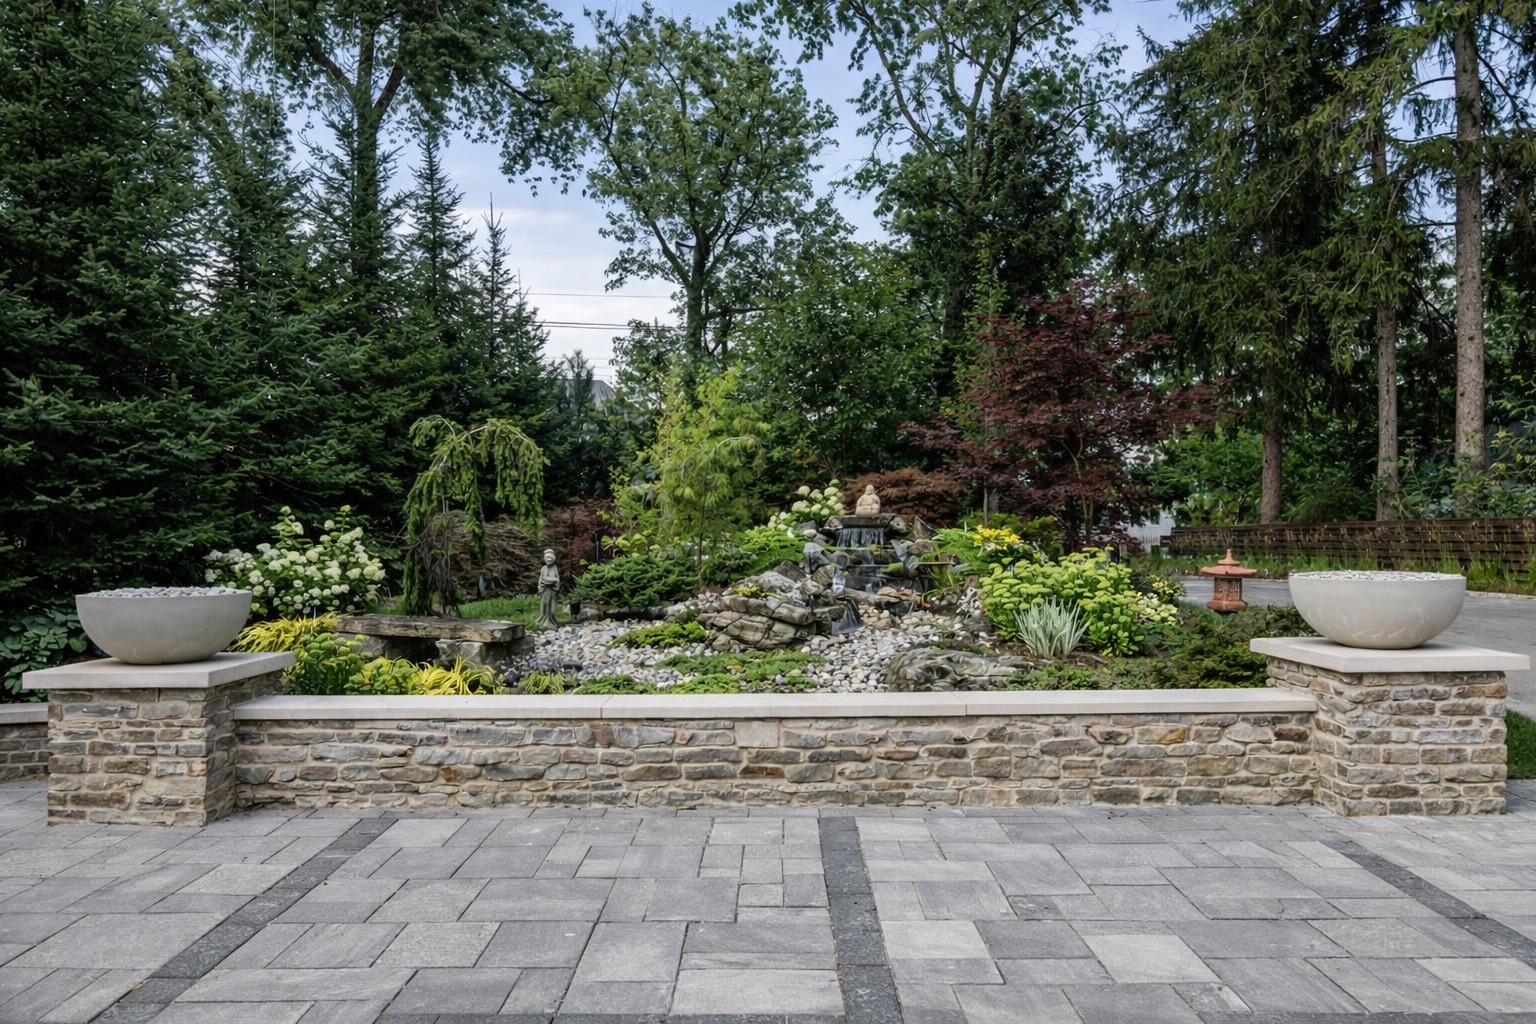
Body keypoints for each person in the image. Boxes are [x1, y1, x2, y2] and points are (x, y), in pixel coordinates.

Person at [536, 549, 561, 629]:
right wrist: (540, 586)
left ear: (553, 559)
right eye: (547, 558)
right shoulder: (543, 568)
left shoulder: (554, 568)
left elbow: (557, 579)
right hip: (545, 589)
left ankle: (552, 622)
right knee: (545, 605)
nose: (548, 560)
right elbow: (542, 578)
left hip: (552, 590)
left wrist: (555, 582)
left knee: (552, 609)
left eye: (550, 558)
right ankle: (544, 622)